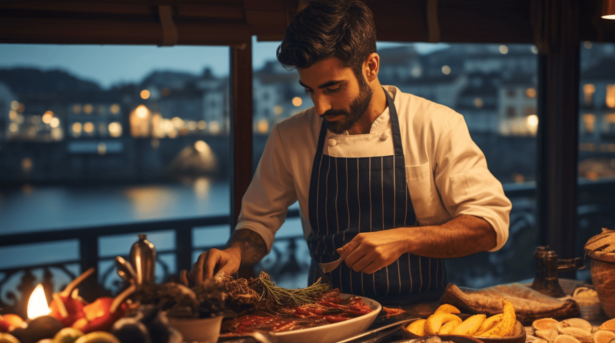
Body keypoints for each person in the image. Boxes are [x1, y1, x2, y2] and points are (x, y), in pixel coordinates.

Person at [191, 0, 511, 304]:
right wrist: (234, 253)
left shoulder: (436, 125)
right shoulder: (289, 136)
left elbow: (489, 224)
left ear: (370, 67)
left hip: (421, 314)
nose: (320, 106)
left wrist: (404, 239)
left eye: (332, 88)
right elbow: (258, 222)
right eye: (310, 90)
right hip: (326, 315)